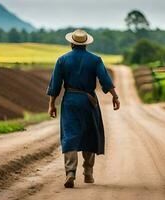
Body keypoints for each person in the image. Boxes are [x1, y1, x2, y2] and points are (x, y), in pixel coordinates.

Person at [47, 29, 120, 188]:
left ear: (71, 43)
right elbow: (105, 81)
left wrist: (51, 104)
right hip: (89, 101)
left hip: (70, 101)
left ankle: (70, 172)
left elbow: (55, 85)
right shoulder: (95, 60)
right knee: (89, 134)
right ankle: (88, 173)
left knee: (70, 135)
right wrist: (115, 96)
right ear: (86, 44)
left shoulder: (62, 60)